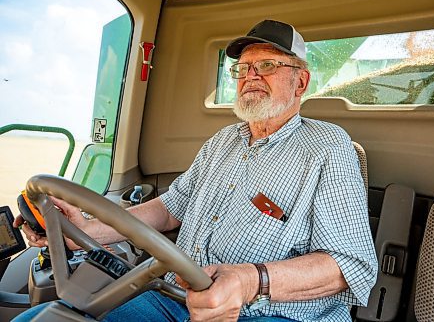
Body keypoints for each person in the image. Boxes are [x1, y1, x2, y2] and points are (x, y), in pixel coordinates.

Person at [14, 20, 377, 322]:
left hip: (269, 313)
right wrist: (79, 232)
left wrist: (250, 280)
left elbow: (349, 264)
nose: (250, 76)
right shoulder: (222, 141)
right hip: (173, 297)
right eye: (241, 68)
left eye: (267, 65)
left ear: (300, 82)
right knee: (44, 317)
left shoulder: (328, 146)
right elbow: (169, 209)